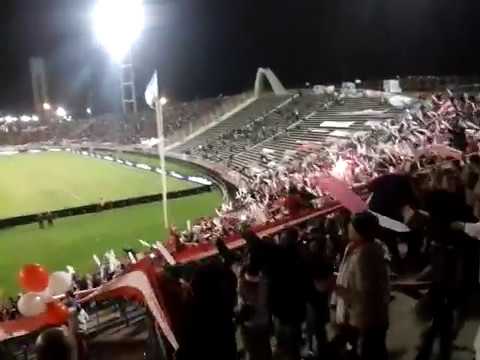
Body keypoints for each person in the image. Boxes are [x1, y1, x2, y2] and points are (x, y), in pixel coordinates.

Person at [335, 211, 390, 360]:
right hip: (362, 317)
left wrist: (335, 288)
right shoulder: (356, 248)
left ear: (360, 230)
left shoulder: (365, 254)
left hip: (366, 319)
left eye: (351, 225)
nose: (347, 227)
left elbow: (364, 292)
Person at [238, 260, 272, 360]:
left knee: (253, 351)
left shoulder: (242, 284)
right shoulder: (265, 282)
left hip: (250, 324)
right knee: (265, 348)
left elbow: (240, 303)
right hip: (263, 321)